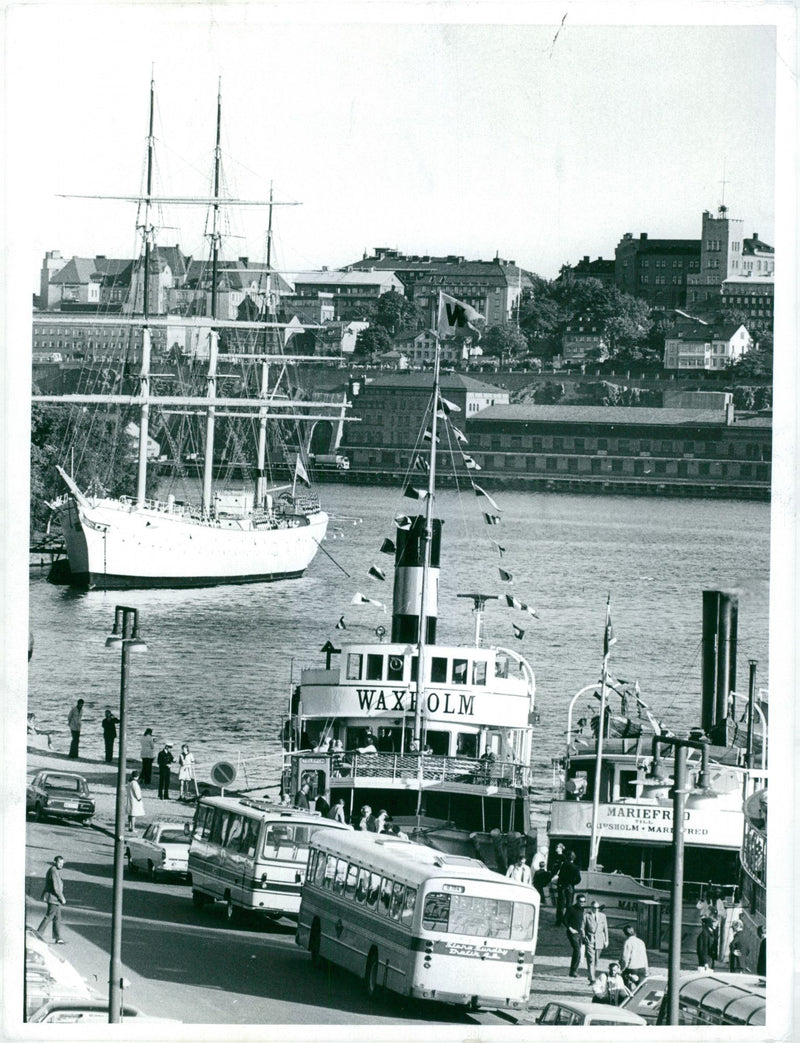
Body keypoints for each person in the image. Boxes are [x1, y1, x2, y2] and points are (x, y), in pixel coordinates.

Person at [37, 855, 67, 944]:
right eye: (59, 863)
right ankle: (38, 934)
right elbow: (56, 887)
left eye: (62, 863)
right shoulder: (54, 871)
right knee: (49, 916)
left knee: (57, 918)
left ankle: (58, 937)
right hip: (53, 898)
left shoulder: (55, 870)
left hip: (54, 898)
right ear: (55, 862)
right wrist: (62, 898)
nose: (61, 865)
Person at [582, 900, 609, 983]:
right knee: (591, 959)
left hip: (600, 940)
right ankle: (592, 978)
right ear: (591, 908)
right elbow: (582, 928)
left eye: (598, 908)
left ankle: (591, 975)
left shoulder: (602, 916)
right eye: (594, 908)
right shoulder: (586, 916)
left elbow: (605, 929)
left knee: (596, 960)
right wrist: (584, 937)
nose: (596, 909)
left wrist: (606, 940)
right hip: (590, 940)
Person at [555, 851, 581, 926]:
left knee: (560, 903)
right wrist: (572, 883)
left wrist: (560, 883)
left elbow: (560, 876)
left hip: (562, 886)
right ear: (574, 858)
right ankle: (567, 920)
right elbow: (578, 879)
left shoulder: (564, 865)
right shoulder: (576, 867)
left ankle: (559, 920)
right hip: (570, 887)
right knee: (569, 904)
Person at [564, 893, 587, 977]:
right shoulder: (571, 909)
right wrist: (570, 929)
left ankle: (574, 971)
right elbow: (564, 919)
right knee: (577, 950)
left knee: (579, 951)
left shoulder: (583, 909)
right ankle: (573, 971)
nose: (582, 903)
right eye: (581, 901)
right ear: (577, 901)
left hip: (580, 933)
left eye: (584, 901)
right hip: (572, 933)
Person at [620, 924, 649, 988]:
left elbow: (625, 958)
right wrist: (646, 969)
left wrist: (622, 969)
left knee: (626, 986)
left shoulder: (627, 942)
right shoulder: (641, 942)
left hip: (632, 969)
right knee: (641, 988)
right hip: (642, 968)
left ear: (625, 934)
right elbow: (645, 956)